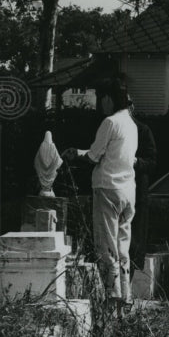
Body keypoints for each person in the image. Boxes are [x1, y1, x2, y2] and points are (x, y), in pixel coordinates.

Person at [63, 77, 138, 314]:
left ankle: (112, 296)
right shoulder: (131, 124)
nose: (100, 104)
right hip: (128, 189)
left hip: (107, 188)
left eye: (101, 99)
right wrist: (82, 151)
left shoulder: (109, 122)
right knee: (123, 247)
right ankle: (126, 297)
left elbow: (95, 157)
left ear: (108, 99)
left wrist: (76, 156)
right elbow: (109, 153)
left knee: (106, 246)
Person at [129, 102, 158, 271]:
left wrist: (134, 161)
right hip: (116, 189)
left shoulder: (142, 130)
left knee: (135, 237)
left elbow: (152, 162)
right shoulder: (110, 126)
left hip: (136, 190)